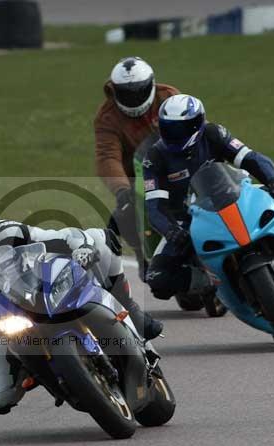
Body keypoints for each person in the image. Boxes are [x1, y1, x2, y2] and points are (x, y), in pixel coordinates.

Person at [0, 191, 162, 415]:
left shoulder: (9, 232)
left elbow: (59, 236)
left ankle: (130, 311)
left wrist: (82, 247)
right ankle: (42, 374)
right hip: (4, 326)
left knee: (99, 239)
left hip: (39, 294)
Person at [142, 94, 274, 300]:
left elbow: (251, 158)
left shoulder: (213, 133)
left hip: (229, 197)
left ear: (198, 123)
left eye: (182, 128)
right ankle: (210, 280)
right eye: (169, 128)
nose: (175, 134)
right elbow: (154, 206)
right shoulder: (154, 157)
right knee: (157, 279)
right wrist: (171, 231)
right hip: (186, 218)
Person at [94, 56, 180, 281]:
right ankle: (144, 254)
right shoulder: (107, 117)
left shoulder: (168, 96)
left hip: (178, 165)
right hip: (138, 177)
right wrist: (122, 190)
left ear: (151, 85)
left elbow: (193, 125)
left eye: (139, 91)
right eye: (126, 93)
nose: (133, 98)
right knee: (122, 215)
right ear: (115, 91)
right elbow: (107, 156)